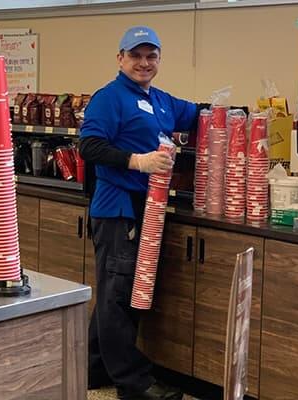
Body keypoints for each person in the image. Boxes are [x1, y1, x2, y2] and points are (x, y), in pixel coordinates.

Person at [79, 26, 204, 400]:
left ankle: (92, 368)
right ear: (120, 58)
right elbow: (89, 146)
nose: (144, 63)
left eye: (151, 56)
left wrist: (238, 112)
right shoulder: (110, 98)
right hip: (118, 210)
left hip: (144, 211)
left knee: (113, 293)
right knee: (119, 297)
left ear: (159, 60)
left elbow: (196, 114)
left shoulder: (162, 101)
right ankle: (135, 383)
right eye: (136, 55)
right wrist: (137, 160)